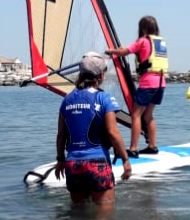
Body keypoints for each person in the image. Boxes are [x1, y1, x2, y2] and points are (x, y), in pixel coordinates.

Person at [54, 52, 132, 207]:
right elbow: (112, 133)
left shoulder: (67, 100)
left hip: (72, 164)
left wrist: (60, 160)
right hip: (97, 163)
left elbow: (61, 134)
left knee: (77, 216)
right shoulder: (104, 99)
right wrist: (125, 160)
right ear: (101, 75)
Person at [105, 16, 168, 158]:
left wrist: (112, 51)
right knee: (149, 115)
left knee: (136, 115)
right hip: (161, 83)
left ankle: (133, 149)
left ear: (142, 28)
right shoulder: (160, 42)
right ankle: (152, 146)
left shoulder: (143, 41)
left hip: (148, 83)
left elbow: (124, 52)